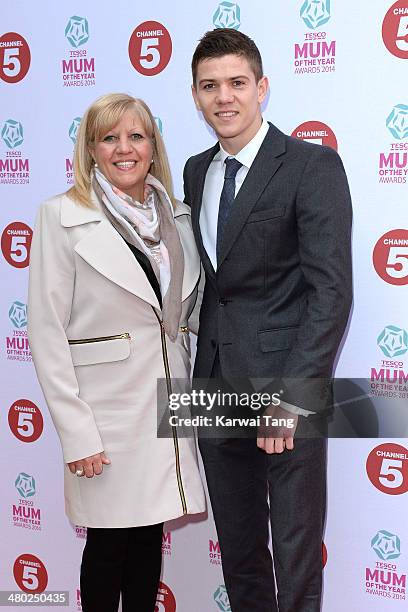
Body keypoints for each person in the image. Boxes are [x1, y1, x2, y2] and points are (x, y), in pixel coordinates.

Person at [183, 29, 352, 611]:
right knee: (239, 551)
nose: (223, 97)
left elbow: (331, 293)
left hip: (283, 387)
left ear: (262, 88)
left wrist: (291, 396)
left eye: (236, 83)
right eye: (210, 86)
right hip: (213, 385)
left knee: (296, 554)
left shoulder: (312, 165)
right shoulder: (194, 169)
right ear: (197, 96)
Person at [27, 93, 205, 612]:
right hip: (103, 414)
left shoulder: (176, 216)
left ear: (153, 146)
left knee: (148, 538)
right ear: (90, 149)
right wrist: (76, 432)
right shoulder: (61, 216)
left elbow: (184, 311)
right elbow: (45, 330)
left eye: (136, 136)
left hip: (165, 405)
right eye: (109, 137)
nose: (124, 149)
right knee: (108, 544)